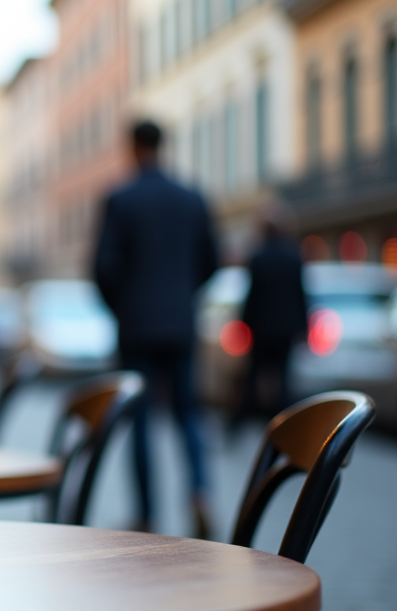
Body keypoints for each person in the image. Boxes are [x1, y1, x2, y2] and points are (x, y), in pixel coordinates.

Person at [94, 120, 219, 538]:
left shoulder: (120, 199)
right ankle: (200, 492)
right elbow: (211, 262)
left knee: (142, 421)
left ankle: (147, 514)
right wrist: (182, 295)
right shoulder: (192, 198)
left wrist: (124, 308)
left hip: (137, 327)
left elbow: (103, 268)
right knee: (189, 415)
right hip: (181, 323)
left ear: (132, 147)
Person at [232, 206, 309, 427]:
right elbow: (300, 294)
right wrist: (303, 326)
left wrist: (244, 323)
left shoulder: (259, 257)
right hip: (286, 328)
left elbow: (253, 295)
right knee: (283, 378)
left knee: (253, 376)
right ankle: (282, 421)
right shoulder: (293, 257)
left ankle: (239, 421)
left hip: (262, 328)